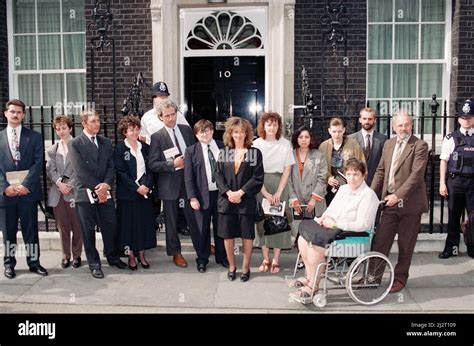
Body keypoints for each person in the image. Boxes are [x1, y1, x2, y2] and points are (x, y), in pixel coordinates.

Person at [290, 158, 379, 301]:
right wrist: (322, 219)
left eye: (356, 174)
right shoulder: (343, 189)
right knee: (302, 239)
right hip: (332, 230)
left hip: (353, 237)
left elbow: (362, 225)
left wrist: (337, 224)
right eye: (348, 174)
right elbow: (331, 209)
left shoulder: (368, 195)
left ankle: (313, 285)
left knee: (315, 246)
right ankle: (309, 276)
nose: (351, 178)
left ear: (363, 175)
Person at [370, 112, 429, 293]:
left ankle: (400, 278)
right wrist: (370, 195)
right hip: (389, 203)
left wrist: (398, 195)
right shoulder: (388, 144)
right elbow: (381, 171)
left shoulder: (419, 145)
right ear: (394, 127)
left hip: (409, 204)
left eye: (407, 125)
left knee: (406, 244)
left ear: (412, 125)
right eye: (400, 125)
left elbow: (416, 176)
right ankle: (373, 276)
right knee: (381, 241)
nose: (403, 128)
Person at [68, 109, 127, 279]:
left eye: (98, 120)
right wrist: (98, 188)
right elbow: (80, 170)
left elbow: (111, 166)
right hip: (84, 193)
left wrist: (106, 185)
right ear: (84, 123)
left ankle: (112, 256)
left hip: (104, 191)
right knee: (88, 230)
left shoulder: (106, 142)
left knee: (110, 225)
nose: (97, 123)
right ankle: (94, 264)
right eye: (92, 121)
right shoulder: (75, 143)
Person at [0, 99, 48, 279]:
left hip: (27, 193)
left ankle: (34, 263)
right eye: (12, 111)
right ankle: (9, 264)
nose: (15, 115)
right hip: (7, 195)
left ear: (23, 115)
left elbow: (38, 163)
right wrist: (5, 188)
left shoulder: (34, 137)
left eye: (19, 112)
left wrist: (24, 185)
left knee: (31, 230)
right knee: (8, 231)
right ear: (6, 113)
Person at [148, 99, 196, 268]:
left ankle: (201, 246)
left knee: (195, 217)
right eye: (166, 116)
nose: (170, 118)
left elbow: (195, 152)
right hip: (169, 185)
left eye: (173, 114)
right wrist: (172, 164)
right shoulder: (157, 137)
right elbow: (153, 164)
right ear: (160, 117)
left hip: (189, 183)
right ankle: (175, 253)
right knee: (171, 221)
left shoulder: (186, 130)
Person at [215, 117, 264, 282]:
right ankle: (232, 266)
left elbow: (257, 178)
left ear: (247, 133)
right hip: (226, 201)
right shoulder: (224, 153)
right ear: (230, 133)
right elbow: (218, 175)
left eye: (242, 132)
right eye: (235, 132)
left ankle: (245, 267)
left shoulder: (254, 153)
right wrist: (228, 193)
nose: (239, 135)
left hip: (246, 201)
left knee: (247, 235)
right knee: (228, 236)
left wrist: (241, 192)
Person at [140, 81, 190, 236]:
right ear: (154, 98)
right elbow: (141, 136)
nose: (161, 99)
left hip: (178, 164)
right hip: (157, 158)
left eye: (164, 96)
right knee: (156, 196)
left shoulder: (178, 116)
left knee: (180, 197)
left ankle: (182, 224)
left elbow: (186, 136)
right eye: (158, 96)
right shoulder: (147, 117)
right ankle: (155, 223)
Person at [253, 112, 295, 274]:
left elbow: (287, 169)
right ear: (263, 126)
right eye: (269, 124)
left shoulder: (285, 144)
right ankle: (265, 258)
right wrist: (264, 192)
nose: (272, 127)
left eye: (275, 124)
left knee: (278, 222)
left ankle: (276, 260)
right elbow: (254, 171)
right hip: (260, 185)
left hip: (280, 185)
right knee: (262, 223)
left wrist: (278, 191)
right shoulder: (256, 144)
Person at [184, 120, 228, 273]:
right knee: (201, 229)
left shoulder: (223, 146)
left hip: (222, 195)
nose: (205, 134)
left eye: (208, 130)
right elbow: (188, 177)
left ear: (212, 131)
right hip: (202, 196)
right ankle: (202, 259)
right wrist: (192, 198)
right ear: (196, 135)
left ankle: (222, 257)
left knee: (221, 228)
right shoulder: (190, 151)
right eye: (201, 131)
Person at [114, 116, 156, 270]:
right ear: (124, 132)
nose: (135, 132)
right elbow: (121, 172)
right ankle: (131, 255)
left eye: (137, 128)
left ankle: (142, 254)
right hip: (128, 194)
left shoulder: (145, 147)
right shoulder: (120, 149)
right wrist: (136, 187)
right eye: (131, 129)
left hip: (144, 193)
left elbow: (151, 169)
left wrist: (147, 186)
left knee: (143, 224)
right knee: (128, 226)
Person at [46, 115, 83, 269]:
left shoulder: (78, 146)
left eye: (64, 128)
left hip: (74, 192)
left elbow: (80, 169)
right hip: (58, 193)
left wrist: (70, 185)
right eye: (58, 129)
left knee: (77, 225)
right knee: (63, 227)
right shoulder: (53, 149)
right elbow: (50, 169)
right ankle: (65, 255)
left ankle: (77, 255)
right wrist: (60, 184)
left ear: (70, 128)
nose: (61, 131)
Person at [438, 99, 474, 259]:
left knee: (473, 217)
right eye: (463, 117)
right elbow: (444, 160)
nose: (466, 120)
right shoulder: (450, 137)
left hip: (472, 182)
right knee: (453, 216)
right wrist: (441, 183)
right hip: (455, 181)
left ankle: (472, 248)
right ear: (459, 119)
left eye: (469, 117)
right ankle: (451, 247)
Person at [288, 126, 327, 242]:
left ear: (311, 139)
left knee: (316, 237)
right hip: (297, 202)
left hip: (315, 202)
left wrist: (314, 198)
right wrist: (293, 198)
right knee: (299, 237)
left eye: (307, 137)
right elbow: (287, 180)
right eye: (301, 137)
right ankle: (302, 259)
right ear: (296, 139)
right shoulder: (290, 155)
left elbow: (323, 178)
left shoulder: (319, 155)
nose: (304, 140)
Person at [319, 117, 365, 205]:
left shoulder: (353, 144)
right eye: (334, 131)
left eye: (339, 131)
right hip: (330, 187)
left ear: (344, 130)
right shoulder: (323, 146)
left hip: (349, 185)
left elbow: (362, 165)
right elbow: (320, 168)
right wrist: (328, 178)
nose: (337, 134)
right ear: (329, 131)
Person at [348, 107, 387, 186]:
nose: (367, 121)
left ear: (374, 120)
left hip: (376, 184)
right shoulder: (351, 139)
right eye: (364, 118)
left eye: (370, 119)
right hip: (356, 183)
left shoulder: (383, 139)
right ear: (360, 120)